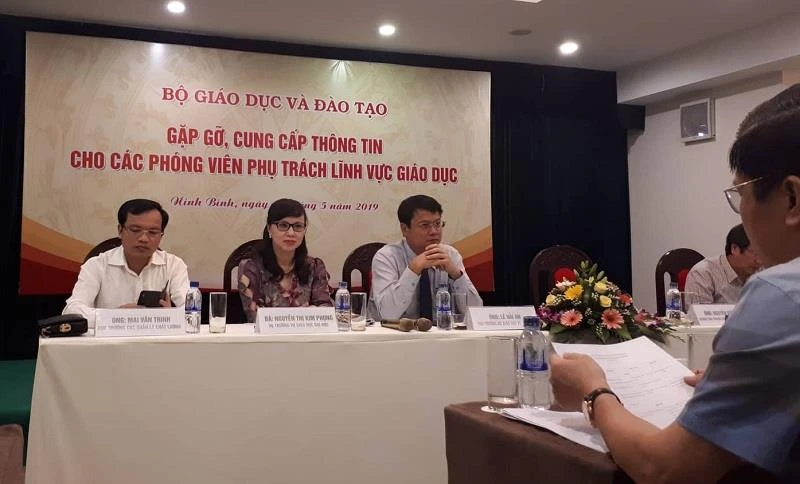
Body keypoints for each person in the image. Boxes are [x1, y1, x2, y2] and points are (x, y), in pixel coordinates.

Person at [549, 84, 800, 483]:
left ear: (791, 198)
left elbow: (664, 469)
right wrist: (736, 388)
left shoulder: (782, 293)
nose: (741, 214)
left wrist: (593, 391)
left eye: (741, 193)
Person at [63, 199, 189, 328]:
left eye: (152, 232)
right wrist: (119, 316)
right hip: (110, 340)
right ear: (120, 230)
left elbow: (192, 311)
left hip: (158, 339)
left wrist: (171, 315)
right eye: (135, 230)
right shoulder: (96, 265)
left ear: (161, 235)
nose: (143, 239)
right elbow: (72, 311)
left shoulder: (174, 265)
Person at [371, 194, 482, 320]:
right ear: (405, 229)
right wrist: (413, 270)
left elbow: (476, 314)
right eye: (425, 225)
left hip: (441, 330)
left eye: (437, 224)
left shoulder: (450, 255)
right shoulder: (386, 257)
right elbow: (387, 314)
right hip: (395, 332)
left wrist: (456, 274)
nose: (434, 231)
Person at [238, 198, 332, 323]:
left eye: (298, 226)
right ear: (269, 228)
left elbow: (326, 311)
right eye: (283, 225)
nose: (291, 233)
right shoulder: (251, 267)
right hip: (266, 335)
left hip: (307, 335)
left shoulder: (314, 266)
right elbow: (255, 316)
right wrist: (305, 315)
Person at [683, 223, 760, 306]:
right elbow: (699, 313)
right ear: (734, 249)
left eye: (763, 254)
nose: (760, 261)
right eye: (755, 252)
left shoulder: (762, 273)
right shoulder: (703, 274)